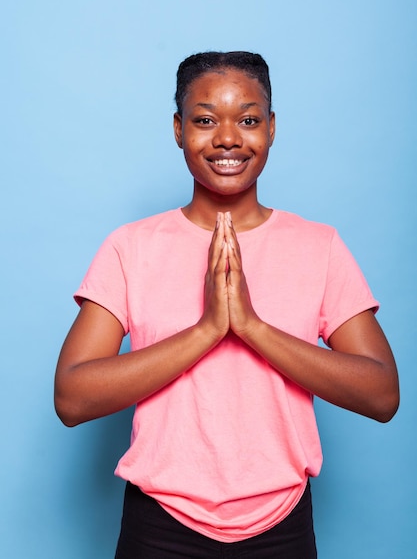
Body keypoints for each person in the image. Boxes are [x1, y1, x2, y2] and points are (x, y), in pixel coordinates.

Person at [54, 51, 399, 558]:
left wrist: (252, 327)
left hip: (281, 527)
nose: (228, 139)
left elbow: (382, 394)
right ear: (178, 129)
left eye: (249, 119)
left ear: (272, 128)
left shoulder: (318, 246)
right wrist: (207, 330)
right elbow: (72, 398)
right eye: (205, 120)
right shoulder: (131, 247)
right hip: (160, 527)